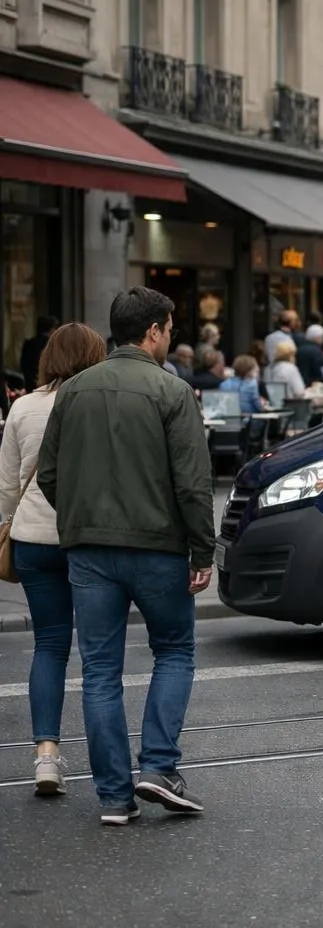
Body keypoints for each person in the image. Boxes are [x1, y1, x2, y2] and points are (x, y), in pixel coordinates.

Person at [37, 286, 215, 826]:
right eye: (170, 329)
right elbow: (192, 483)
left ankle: (114, 798)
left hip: (88, 550)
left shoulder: (72, 391)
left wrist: (79, 515)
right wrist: (201, 549)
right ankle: (158, 767)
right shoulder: (172, 391)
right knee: (175, 650)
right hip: (158, 546)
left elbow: (48, 472)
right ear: (155, 330)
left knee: (99, 672)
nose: (170, 338)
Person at [0, 323, 107, 795]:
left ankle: (46, 756)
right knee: (100, 652)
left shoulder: (23, 406)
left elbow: (7, 483)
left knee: (49, 646)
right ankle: (112, 763)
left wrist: (4, 527)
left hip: (32, 539)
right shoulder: (100, 402)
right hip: (88, 539)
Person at [19, 316, 57, 391]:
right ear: (52, 329)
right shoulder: (52, 345)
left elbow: (24, 364)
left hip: (30, 383)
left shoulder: (29, 343)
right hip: (48, 385)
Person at [297, 324, 323, 388]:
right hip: (313, 385)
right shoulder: (317, 351)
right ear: (318, 337)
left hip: (300, 383)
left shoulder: (299, 349)